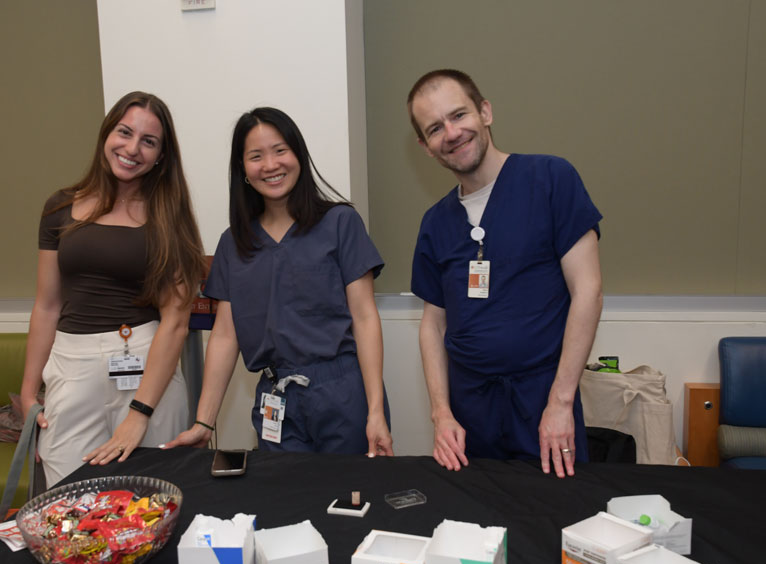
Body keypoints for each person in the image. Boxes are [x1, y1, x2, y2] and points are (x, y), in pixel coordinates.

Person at [407, 69, 603, 477]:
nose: (452, 133)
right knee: (473, 515)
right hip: (469, 413)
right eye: (435, 128)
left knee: (554, 510)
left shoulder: (551, 180)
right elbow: (433, 324)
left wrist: (561, 403)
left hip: (543, 402)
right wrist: (441, 413)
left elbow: (588, 291)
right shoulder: (435, 223)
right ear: (426, 147)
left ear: (485, 112)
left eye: (459, 115)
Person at [164, 107, 392, 456]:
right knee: (281, 491)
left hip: (343, 393)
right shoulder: (233, 243)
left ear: (298, 155)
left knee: (352, 490)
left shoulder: (340, 223)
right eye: (256, 156)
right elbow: (225, 336)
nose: (270, 165)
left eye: (280, 150)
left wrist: (375, 411)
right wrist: (203, 423)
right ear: (243, 169)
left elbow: (364, 318)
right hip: (275, 398)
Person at [17, 91, 206, 487]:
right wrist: (29, 392)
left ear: (161, 155)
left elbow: (175, 321)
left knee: (154, 501)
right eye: (124, 132)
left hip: (147, 368)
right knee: (67, 500)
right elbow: (47, 305)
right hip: (72, 365)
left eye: (148, 141)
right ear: (107, 133)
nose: (132, 148)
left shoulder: (169, 216)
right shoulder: (59, 208)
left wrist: (139, 414)